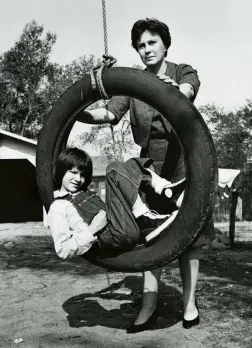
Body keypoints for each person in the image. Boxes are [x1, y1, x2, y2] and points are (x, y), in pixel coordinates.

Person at [76, 18, 215, 332]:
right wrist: (79, 108)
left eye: (152, 43)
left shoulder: (181, 71)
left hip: (187, 161)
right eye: (140, 45)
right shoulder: (132, 82)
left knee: (189, 238)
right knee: (155, 237)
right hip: (152, 167)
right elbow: (109, 113)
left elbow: (187, 91)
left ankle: (189, 303)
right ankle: (149, 305)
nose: (146, 49)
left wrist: (176, 89)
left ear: (165, 44)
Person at [48, 147, 185, 259]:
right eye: (73, 172)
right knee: (113, 169)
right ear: (61, 171)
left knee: (131, 165)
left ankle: (169, 191)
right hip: (114, 234)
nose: (78, 179)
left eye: (83, 175)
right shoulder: (58, 206)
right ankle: (145, 218)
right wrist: (92, 229)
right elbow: (62, 249)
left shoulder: (84, 193)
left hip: (122, 224)